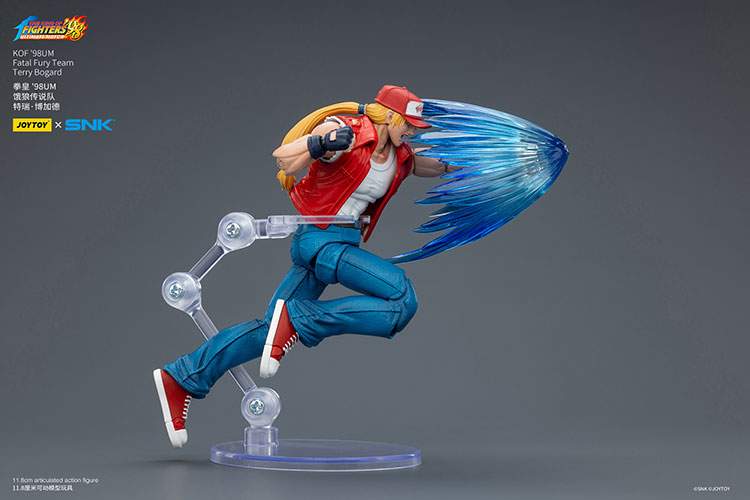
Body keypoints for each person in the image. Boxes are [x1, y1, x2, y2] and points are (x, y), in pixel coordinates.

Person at [153, 85, 451, 447]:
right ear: (390, 116)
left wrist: (474, 165)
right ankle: (300, 319)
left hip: (342, 240)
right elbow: (284, 158)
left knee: (268, 331)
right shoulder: (347, 129)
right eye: (409, 124)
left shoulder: (401, 156)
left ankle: (182, 377)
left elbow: (430, 164)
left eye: (416, 128)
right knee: (402, 298)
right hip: (320, 240)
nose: (413, 132)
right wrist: (321, 144)